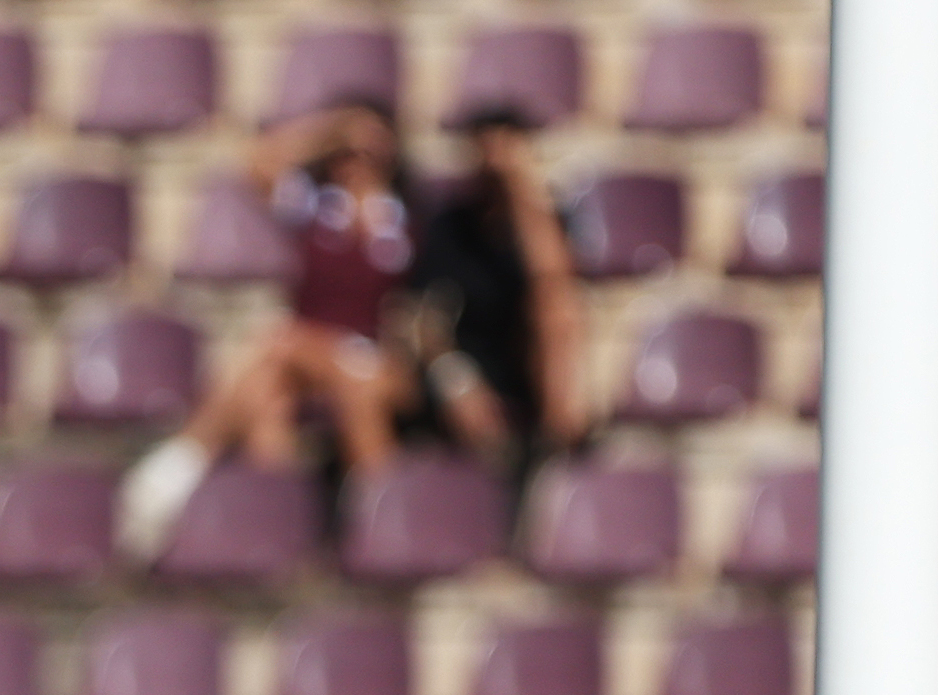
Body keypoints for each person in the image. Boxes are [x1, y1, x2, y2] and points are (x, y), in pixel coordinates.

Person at [115, 99, 415, 562]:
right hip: (315, 357)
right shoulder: (318, 208)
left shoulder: (406, 220)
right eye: (347, 154)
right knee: (267, 397)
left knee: (285, 352)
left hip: (376, 356)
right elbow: (257, 162)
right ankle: (284, 524)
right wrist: (329, 129)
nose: (355, 164)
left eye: (367, 154)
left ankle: (176, 466)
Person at [411, 104, 588, 473]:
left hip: (528, 360)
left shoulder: (545, 220)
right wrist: (457, 382)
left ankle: (556, 445)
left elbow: (552, 278)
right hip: (471, 362)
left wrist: (519, 189)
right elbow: (427, 319)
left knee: (556, 309)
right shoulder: (450, 226)